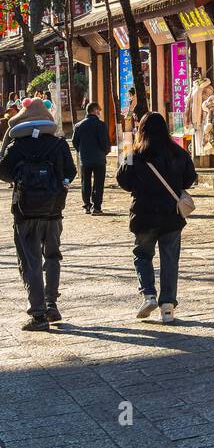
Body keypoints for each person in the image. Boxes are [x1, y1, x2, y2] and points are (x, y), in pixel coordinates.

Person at [0, 97, 76, 330]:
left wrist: (18, 180)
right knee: (52, 256)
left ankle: (38, 313)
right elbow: (72, 171)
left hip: (24, 211)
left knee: (30, 261)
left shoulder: (17, 146)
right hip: (54, 209)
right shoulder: (59, 144)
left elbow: (3, 171)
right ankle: (51, 303)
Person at [116, 111, 197, 325]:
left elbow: (123, 181)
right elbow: (189, 179)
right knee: (170, 260)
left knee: (142, 255)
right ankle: (167, 306)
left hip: (144, 213)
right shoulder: (178, 153)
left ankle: (149, 295)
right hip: (171, 214)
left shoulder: (134, 154)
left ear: (141, 130)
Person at [72, 101, 111, 214]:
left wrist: (81, 151)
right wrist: (104, 152)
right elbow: (105, 142)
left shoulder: (79, 125)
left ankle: (87, 205)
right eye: (99, 111)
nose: (100, 113)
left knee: (85, 182)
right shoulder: (101, 125)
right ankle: (97, 207)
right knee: (99, 183)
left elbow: (75, 142)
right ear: (95, 111)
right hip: (99, 159)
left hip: (85, 158)